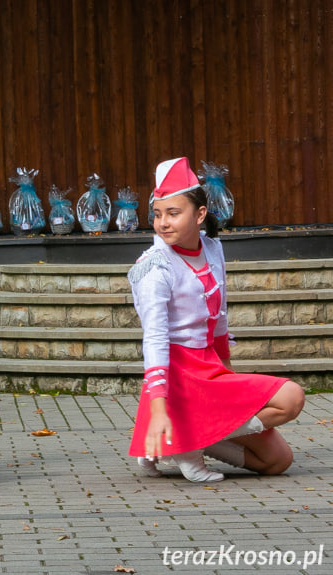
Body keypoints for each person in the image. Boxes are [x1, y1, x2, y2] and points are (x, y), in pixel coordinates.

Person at [128, 157, 305, 482]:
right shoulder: (154, 268)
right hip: (180, 375)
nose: (163, 222)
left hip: (209, 367)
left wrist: (225, 367)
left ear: (199, 214)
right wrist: (157, 408)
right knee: (291, 397)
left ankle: (188, 442)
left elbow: (219, 317)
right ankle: (185, 445)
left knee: (278, 461)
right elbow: (154, 339)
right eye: (157, 214)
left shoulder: (212, 249)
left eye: (173, 213)